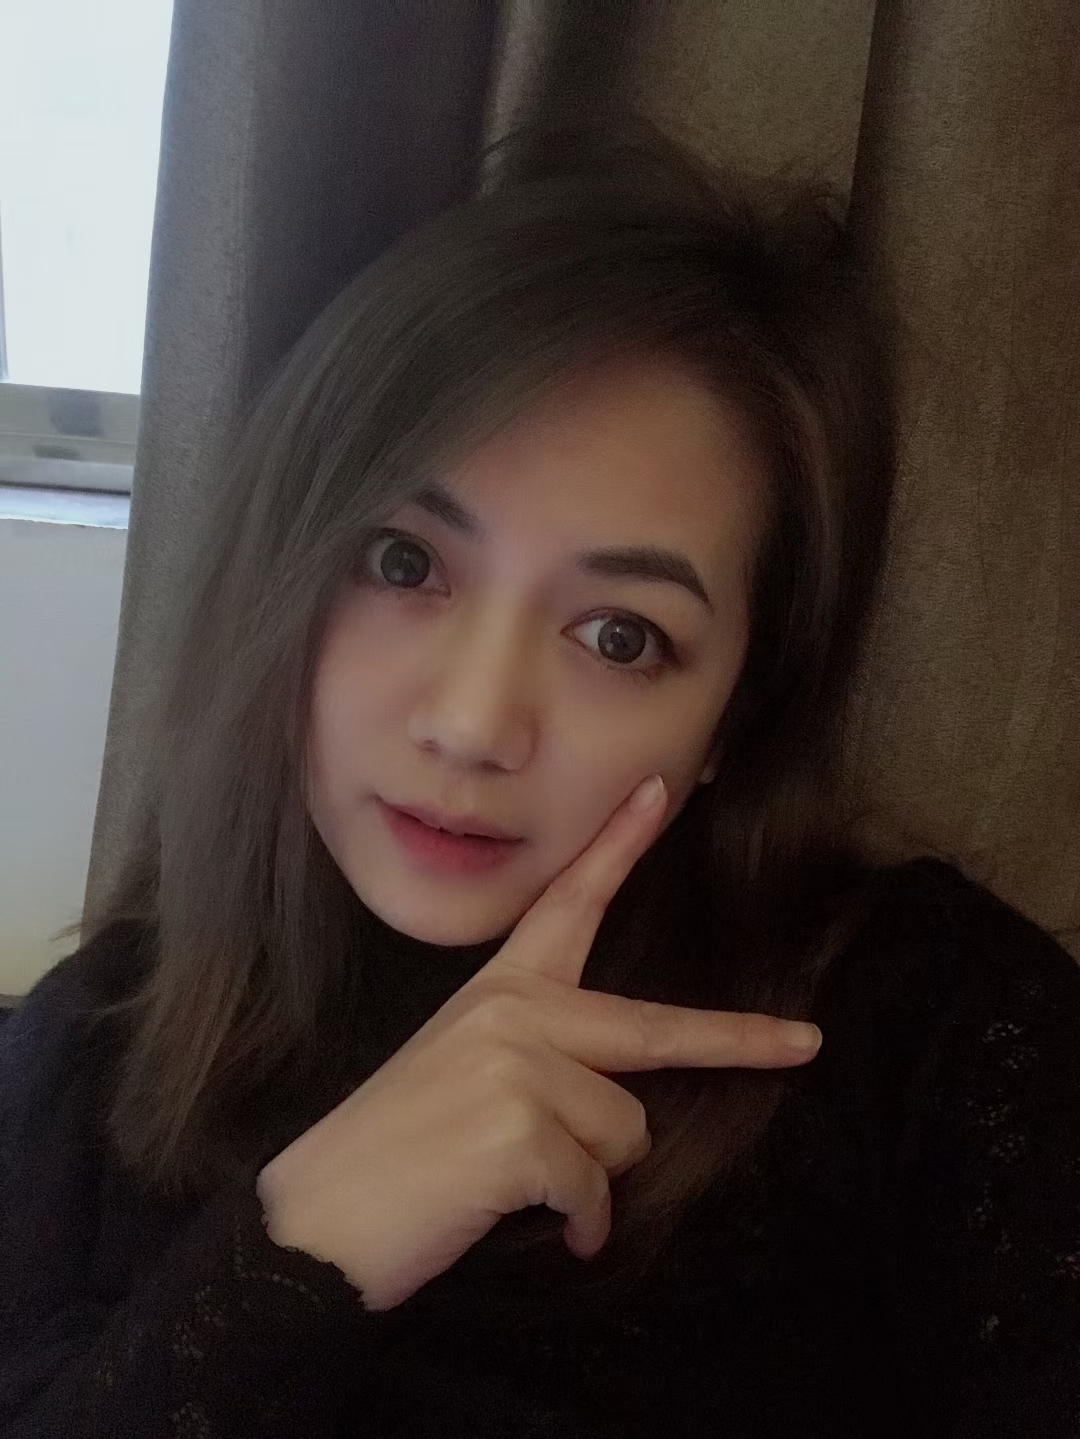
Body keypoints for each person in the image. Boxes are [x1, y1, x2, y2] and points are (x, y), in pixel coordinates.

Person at [1, 118, 1077, 1439]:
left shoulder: (939, 1035)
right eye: (405, 563)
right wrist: (306, 1244)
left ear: (735, 718)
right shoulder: (90, 1050)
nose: (470, 724)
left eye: (619, 637)